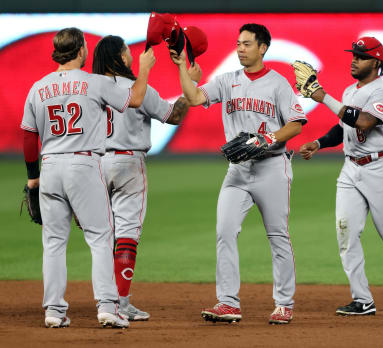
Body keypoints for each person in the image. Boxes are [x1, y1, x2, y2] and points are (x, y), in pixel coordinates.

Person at [170, 23, 307, 325]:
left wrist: (268, 139)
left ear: (263, 48)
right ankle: (228, 303)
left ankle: (284, 303)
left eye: (247, 44)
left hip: (272, 167)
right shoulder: (226, 81)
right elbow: (194, 97)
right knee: (225, 231)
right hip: (238, 170)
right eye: (238, 43)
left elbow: (296, 123)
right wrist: (182, 66)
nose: (240, 49)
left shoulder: (278, 84)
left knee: (277, 236)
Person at [20, 27, 155, 328]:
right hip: (83, 165)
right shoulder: (94, 83)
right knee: (100, 237)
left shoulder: (38, 87)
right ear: (81, 50)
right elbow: (134, 100)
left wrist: (33, 179)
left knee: (53, 242)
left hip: (50, 167)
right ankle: (108, 307)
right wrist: (143, 69)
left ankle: (54, 312)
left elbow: (29, 137)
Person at [297, 37, 383, 315]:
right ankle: (362, 299)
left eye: (361, 56)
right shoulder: (350, 91)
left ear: (376, 62)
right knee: (346, 233)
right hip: (351, 168)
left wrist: (322, 97)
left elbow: (363, 122)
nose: (354, 59)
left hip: (382, 166)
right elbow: (343, 128)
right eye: (354, 55)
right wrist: (320, 143)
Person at [91, 35, 201, 321]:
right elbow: (173, 115)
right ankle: (121, 302)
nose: (130, 55)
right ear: (119, 57)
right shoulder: (136, 87)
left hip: (93, 164)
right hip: (128, 162)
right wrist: (192, 85)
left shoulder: (87, 88)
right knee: (126, 234)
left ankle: (104, 299)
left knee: (102, 235)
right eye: (127, 52)